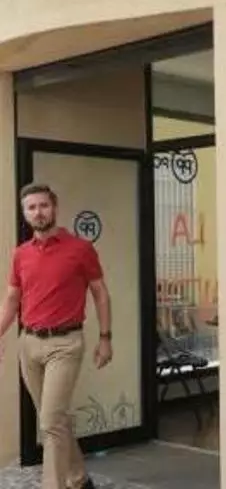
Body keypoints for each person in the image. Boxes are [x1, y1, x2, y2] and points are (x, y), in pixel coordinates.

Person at [0, 183, 113, 489]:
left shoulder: (80, 249)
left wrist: (105, 337)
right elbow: (12, 299)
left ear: (55, 207)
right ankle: (79, 479)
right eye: (31, 207)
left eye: (43, 205)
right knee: (55, 420)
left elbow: (100, 293)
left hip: (65, 343)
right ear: (25, 214)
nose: (38, 212)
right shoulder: (21, 254)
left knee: (50, 422)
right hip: (28, 343)